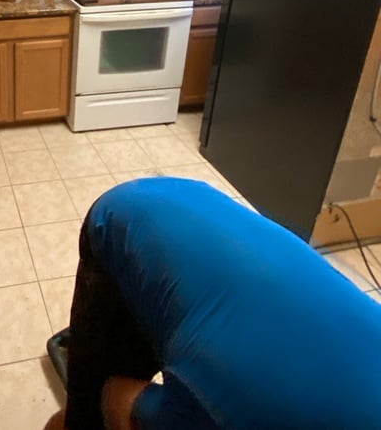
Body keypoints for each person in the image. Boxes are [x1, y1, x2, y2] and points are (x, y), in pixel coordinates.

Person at [46, 177, 381, 430]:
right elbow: (118, 397)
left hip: (197, 207)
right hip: (125, 220)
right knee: (89, 415)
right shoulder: (229, 416)